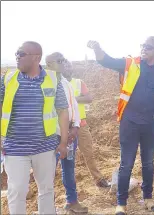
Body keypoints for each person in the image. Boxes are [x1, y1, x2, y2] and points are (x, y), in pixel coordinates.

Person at [87, 37, 154, 214]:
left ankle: (148, 198)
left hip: (150, 124)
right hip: (129, 122)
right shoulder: (130, 64)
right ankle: (121, 203)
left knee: (148, 163)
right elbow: (106, 61)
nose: (144, 49)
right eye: (142, 46)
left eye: (149, 47)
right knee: (126, 163)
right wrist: (98, 49)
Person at [1, 41, 69, 214]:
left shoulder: (53, 80)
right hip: (15, 148)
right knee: (16, 192)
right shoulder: (8, 79)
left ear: (36, 57)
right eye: (16, 53)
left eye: (21, 53)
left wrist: (63, 142)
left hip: (45, 147)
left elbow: (62, 111)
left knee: (46, 190)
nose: (17, 56)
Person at [45, 52, 88, 213]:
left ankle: (72, 201)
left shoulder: (66, 83)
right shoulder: (45, 83)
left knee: (69, 169)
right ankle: (48, 207)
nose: (63, 63)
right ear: (48, 64)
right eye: (59, 61)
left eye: (63, 60)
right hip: (51, 136)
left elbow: (74, 108)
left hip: (70, 135)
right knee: (48, 173)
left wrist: (75, 127)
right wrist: (62, 132)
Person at [62, 59, 110, 188]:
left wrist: (72, 99)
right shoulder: (57, 84)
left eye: (68, 65)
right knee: (62, 156)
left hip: (81, 124)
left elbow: (89, 98)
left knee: (88, 152)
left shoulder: (78, 83)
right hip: (62, 126)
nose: (66, 67)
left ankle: (98, 179)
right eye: (63, 65)